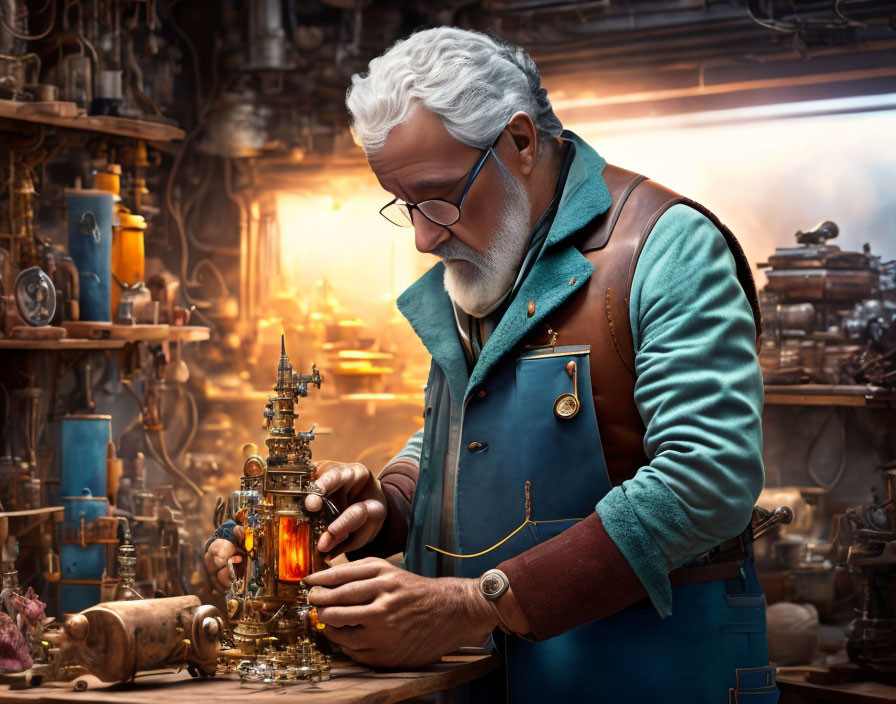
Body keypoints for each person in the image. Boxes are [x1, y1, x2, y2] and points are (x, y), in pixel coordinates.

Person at [205, 27, 779, 703]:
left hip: (654, 677)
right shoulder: (490, 254)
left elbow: (707, 479)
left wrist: (475, 604)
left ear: (521, 142)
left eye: (440, 197)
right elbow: (465, 435)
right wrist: (386, 505)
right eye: (406, 206)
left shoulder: (665, 247)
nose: (423, 237)